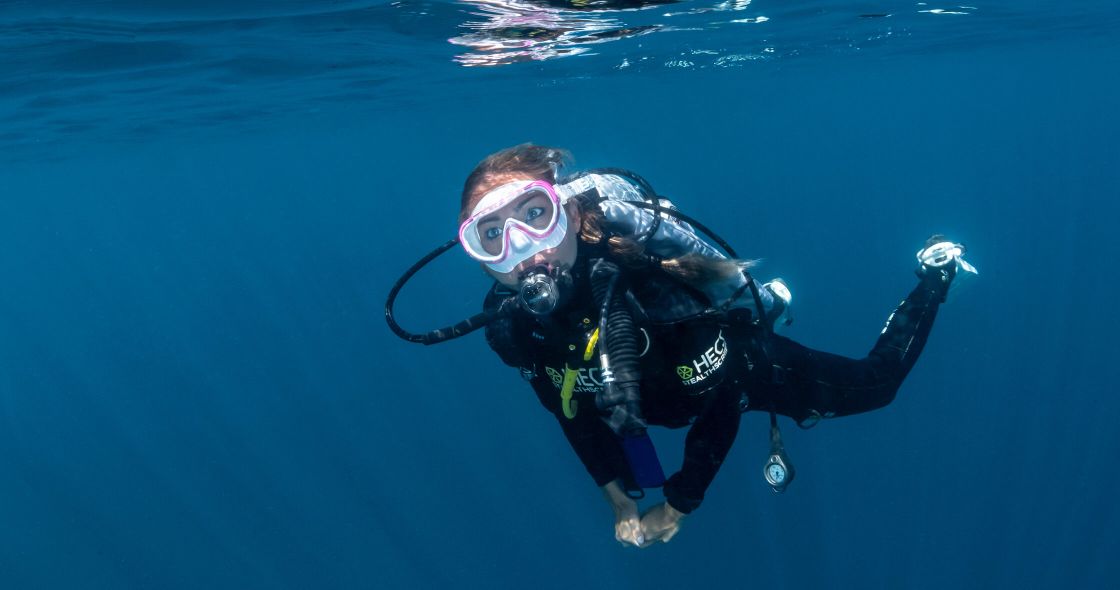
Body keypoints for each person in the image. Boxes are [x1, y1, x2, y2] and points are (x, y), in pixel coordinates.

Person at [385, 144, 977, 548]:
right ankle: (773, 299)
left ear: (564, 212)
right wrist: (617, 498)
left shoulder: (658, 293)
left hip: (730, 369)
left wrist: (681, 500)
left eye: (535, 216)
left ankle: (934, 274)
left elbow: (725, 397)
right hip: (648, 391)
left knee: (879, 387)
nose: (523, 248)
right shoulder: (514, 326)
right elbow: (564, 406)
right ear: (479, 257)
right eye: (492, 236)